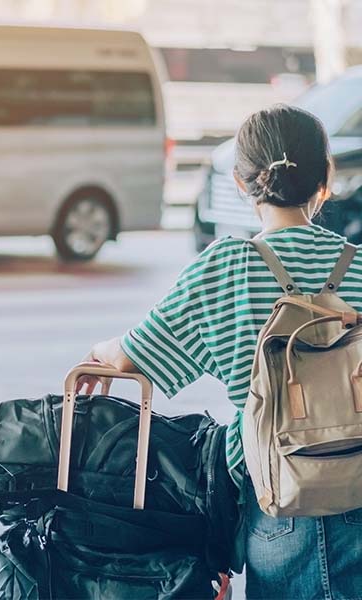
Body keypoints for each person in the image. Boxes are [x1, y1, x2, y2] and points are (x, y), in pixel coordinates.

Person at [78, 104, 362, 599]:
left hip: (274, 498)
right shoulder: (359, 265)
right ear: (326, 179)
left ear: (240, 181)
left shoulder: (226, 266)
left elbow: (133, 354)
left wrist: (97, 350)